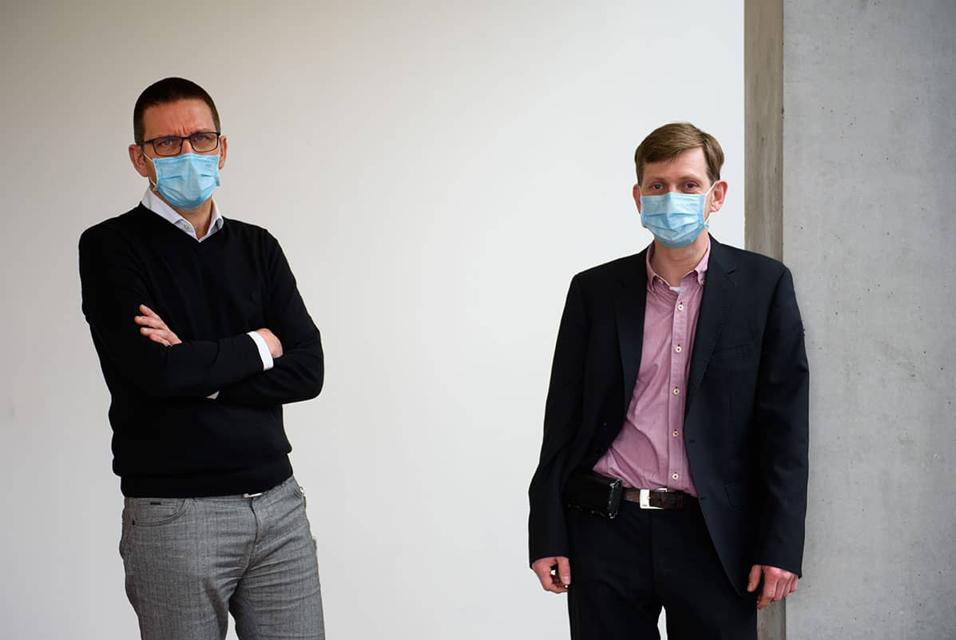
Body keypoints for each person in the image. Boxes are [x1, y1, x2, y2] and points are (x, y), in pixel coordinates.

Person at [528, 122, 809, 639]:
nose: (671, 198)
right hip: (607, 528)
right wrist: (547, 531)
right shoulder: (595, 291)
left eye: (687, 185)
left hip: (713, 534)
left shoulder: (763, 286)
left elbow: (785, 430)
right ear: (638, 197)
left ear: (716, 194)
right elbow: (562, 420)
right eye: (657, 187)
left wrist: (780, 544)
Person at [79, 77, 325, 640]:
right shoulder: (110, 247)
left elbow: (309, 369)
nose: (187, 153)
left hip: (279, 505)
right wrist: (260, 345)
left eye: (201, 138)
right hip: (176, 515)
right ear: (140, 159)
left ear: (223, 148)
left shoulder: (258, 246)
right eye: (167, 144)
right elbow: (156, 373)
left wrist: (200, 369)